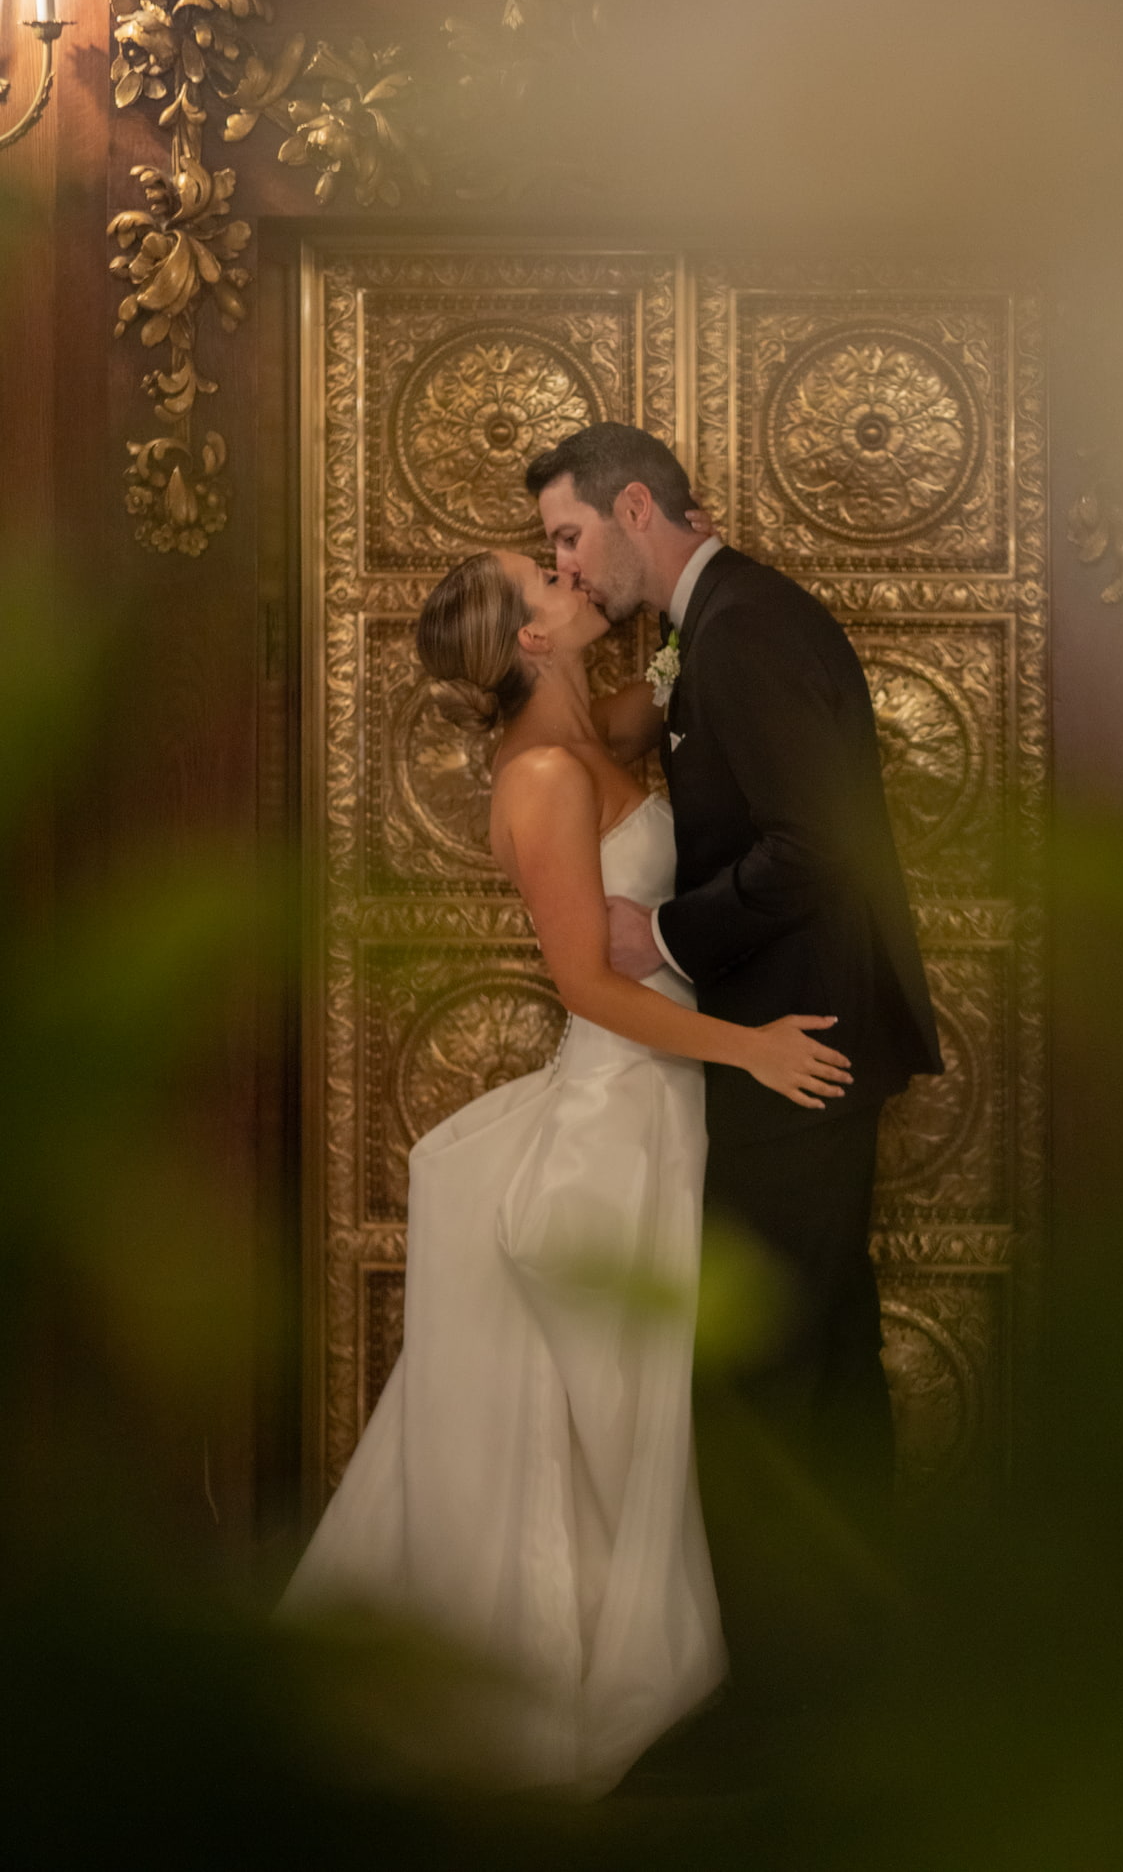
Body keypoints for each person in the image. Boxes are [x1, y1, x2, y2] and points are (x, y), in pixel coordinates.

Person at [280, 543, 852, 1796]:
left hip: (669, 1110)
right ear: (527, 640)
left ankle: (695, 1678)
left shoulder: (599, 726)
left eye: (558, 558)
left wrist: (677, 577)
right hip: (616, 1121)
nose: (563, 574)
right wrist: (745, 1048)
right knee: (613, 1425)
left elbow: (682, 668)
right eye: (543, 582)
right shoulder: (539, 776)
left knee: (650, 1422)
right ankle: (581, 1689)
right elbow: (587, 982)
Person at [526, 422, 943, 1714]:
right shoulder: (715, 627)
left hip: (793, 1046)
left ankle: (772, 1707)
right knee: (822, 1359)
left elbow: (812, 843)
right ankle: (852, 1683)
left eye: (571, 537)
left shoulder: (747, 628)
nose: (570, 566)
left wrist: (666, 930)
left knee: (769, 1377)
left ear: (636, 506)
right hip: (794, 1039)